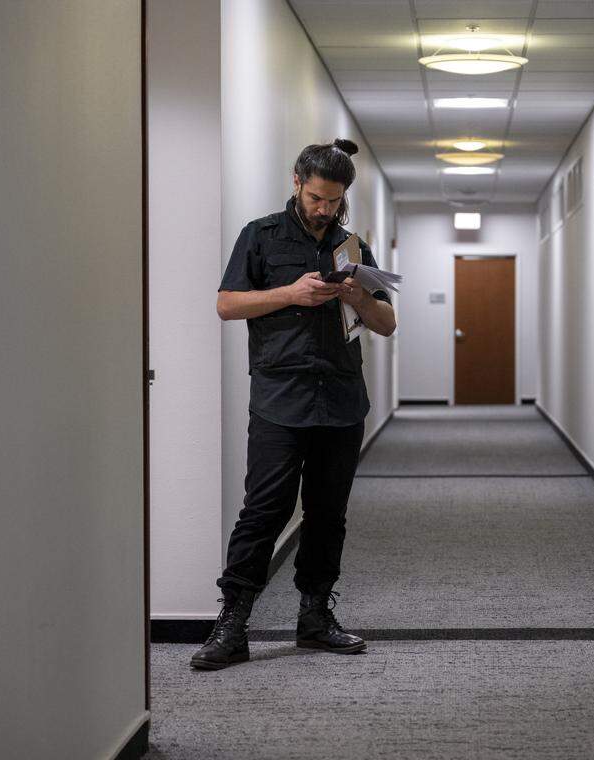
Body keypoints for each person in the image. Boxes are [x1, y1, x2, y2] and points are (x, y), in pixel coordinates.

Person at [191, 138, 396, 670]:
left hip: (342, 399)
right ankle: (233, 624)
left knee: (328, 514)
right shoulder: (260, 236)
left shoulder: (353, 247)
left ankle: (315, 619)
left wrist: (354, 293)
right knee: (264, 511)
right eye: (317, 198)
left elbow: (386, 323)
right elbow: (226, 304)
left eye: (334, 201)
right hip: (280, 399)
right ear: (297, 182)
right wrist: (290, 294)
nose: (325, 209)